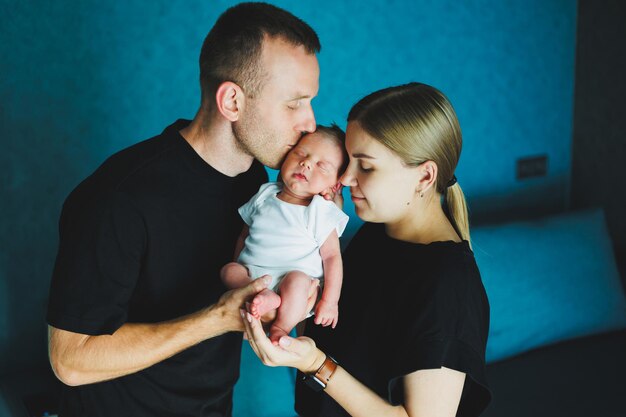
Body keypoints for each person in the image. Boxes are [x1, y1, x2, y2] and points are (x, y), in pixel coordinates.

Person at [46, 3, 321, 416]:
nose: (311, 124)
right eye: (294, 103)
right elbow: (69, 361)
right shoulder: (118, 196)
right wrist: (216, 319)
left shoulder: (261, 186)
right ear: (232, 101)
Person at [241, 83, 492, 417]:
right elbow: (334, 332)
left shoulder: (447, 285)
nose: (344, 178)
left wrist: (316, 364)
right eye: (347, 162)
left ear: (424, 176)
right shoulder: (376, 235)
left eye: (366, 166)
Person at [221, 125, 350, 344]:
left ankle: (280, 327)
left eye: (321, 165)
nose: (306, 163)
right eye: (300, 154)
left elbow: (332, 257)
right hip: (253, 275)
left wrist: (330, 301)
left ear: (335, 185)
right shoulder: (265, 194)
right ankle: (257, 305)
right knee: (228, 270)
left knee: (298, 280)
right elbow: (244, 235)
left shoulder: (320, 210)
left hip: (292, 282)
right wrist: (239, 267)